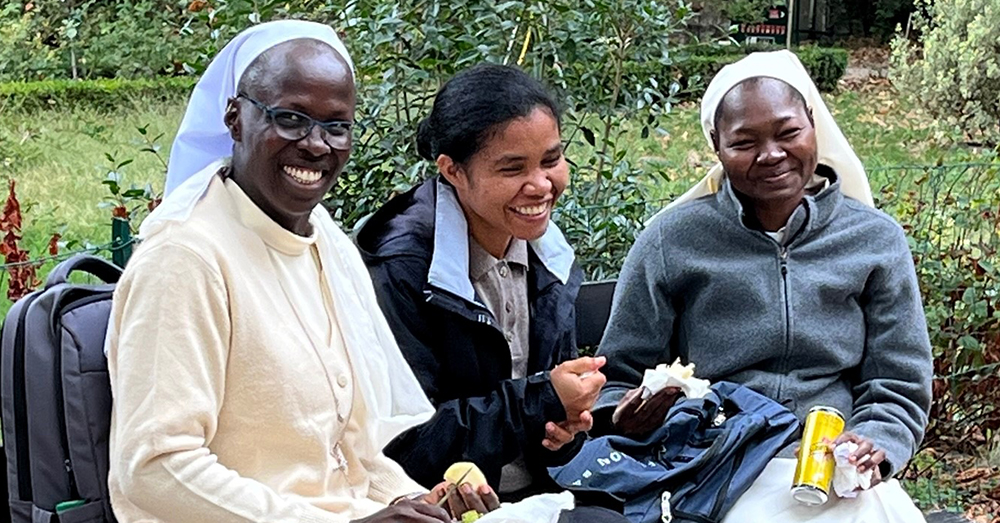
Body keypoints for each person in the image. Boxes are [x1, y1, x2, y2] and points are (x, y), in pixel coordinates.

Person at [107, 20, 470, 523]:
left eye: (335, 125)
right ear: (234, 118)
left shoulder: (325, 243)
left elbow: (350, 453)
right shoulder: (186, 260)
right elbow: (154, 468)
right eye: (290, 118)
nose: (316, 144)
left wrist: (419, 502)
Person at [595, 50, 933, 522]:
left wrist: (877, 440)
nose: (771, 155)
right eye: (744, 141)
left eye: (789, 132)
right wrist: (625, 413)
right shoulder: (671, 242)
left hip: (830, 465)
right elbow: (618, 377)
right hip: (709, 465)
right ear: (716, 145)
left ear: (813, 123)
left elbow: (898, 380)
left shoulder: (874, 240)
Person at [355, 63, 607, 502]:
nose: (541, 185)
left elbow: (546, 430)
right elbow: (405, 444)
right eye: (512, 169)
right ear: (452, 170)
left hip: (536, 498)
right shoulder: (400, 267)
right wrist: (542, 400)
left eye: (551, 160)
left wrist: (562, 431)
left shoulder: (549, 253)